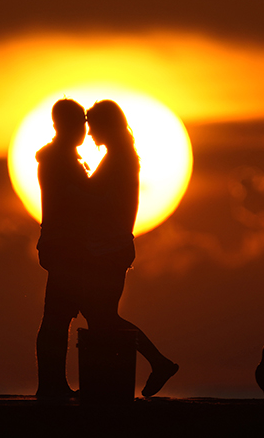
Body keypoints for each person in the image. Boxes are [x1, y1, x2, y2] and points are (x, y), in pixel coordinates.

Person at [83, 99, 179, 398]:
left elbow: (102, 202)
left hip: (110, 249)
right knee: (99, 315)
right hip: (111, 246)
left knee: (104, 315)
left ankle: (158, 362)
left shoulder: (118, 160)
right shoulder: (121, 156)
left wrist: (84, 182)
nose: (90, 136)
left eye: (93, 128)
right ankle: (113, 377)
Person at [34, 98, 88, 398]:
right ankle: (51, 385)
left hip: (64, 243)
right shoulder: (58, 160)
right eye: (78, 122)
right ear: (63, 125)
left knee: (60, 314)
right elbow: (72, 203)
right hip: (63, 244)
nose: (83, 129)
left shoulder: (64, 157)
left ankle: (55, 383)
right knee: (55, 316)